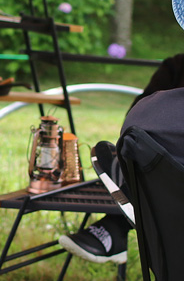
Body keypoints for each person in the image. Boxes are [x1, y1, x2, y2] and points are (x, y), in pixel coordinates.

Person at [59, 54, 184, 264]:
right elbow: (138, 122)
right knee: (145, 147)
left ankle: (115, 226)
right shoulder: (177, 66)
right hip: (165, 169)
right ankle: (117, 223)